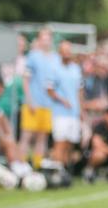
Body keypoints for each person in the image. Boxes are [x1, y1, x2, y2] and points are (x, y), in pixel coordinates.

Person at [20, 28, 59, 168]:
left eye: (48, 37)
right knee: (27, 135)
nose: (46, 40)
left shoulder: (55, 58)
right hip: (33, 102)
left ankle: (37, 165)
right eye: (43, 37)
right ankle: (22, 165)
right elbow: (25, 79)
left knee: (42, 137)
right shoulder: (33, 56)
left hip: (47, 104)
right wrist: (30, 100)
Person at [47, 40, 83, 167]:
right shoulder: (54, 68)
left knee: (70, 144)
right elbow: (50, 90)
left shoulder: (75, 68)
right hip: (60, 112)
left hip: (74, 112)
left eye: (68, 51)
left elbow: (79, 90)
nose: (67, 54)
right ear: (60, 53)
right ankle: (58, 170)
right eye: (64, 51)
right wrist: (62, 100)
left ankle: (66, 171)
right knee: (60, 143)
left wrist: (81, 110)